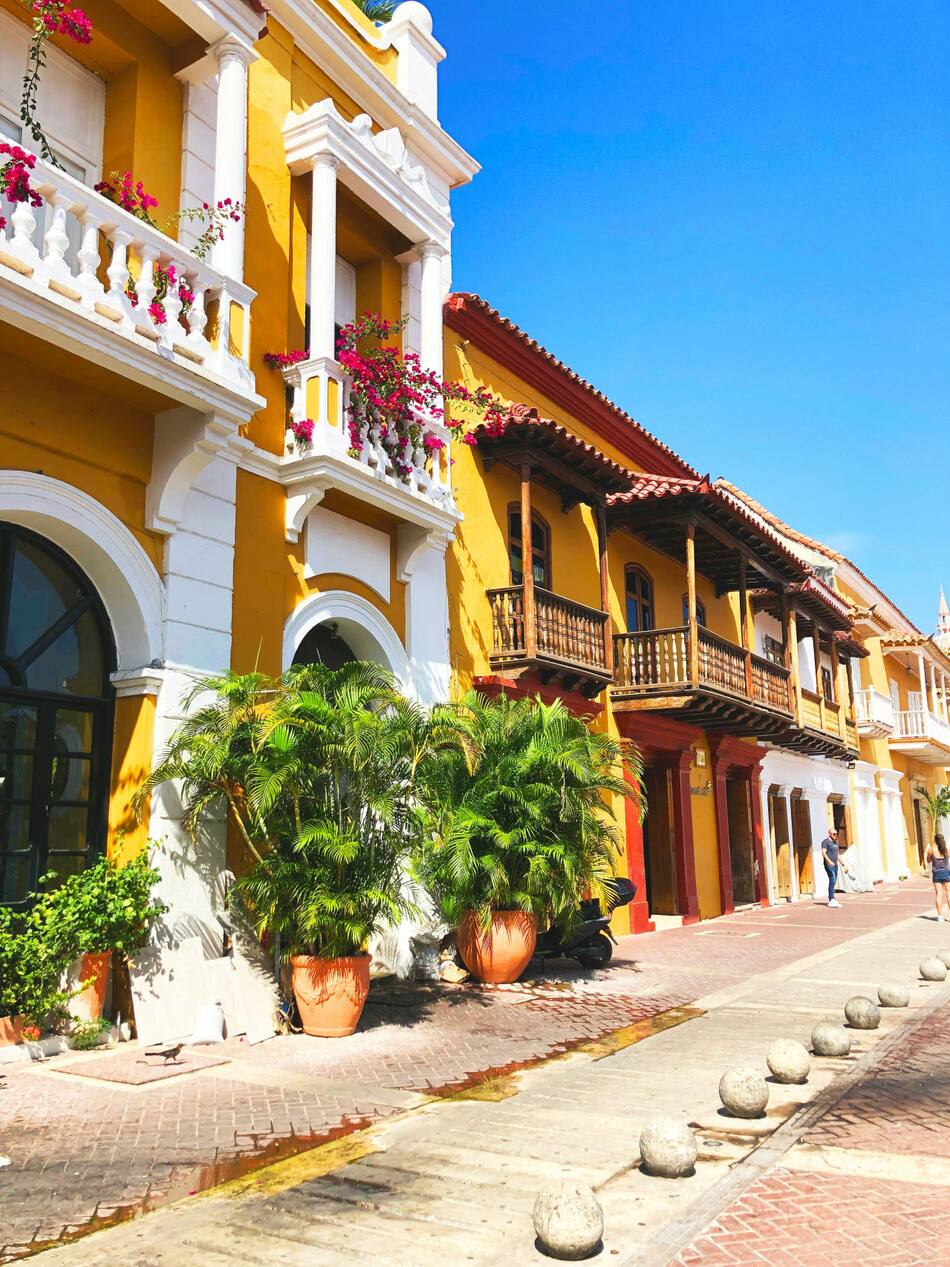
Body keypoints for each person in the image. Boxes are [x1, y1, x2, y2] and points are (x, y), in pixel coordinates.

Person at [926, 832, 950, 922]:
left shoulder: (931, 850)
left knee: (939, 894)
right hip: (947, 872)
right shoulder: (947, 850)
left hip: (937, 873)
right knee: (949, 894)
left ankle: (940, 916)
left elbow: (928, 861)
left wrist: (929, 852)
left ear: (935, 840)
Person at [821, 827, 842, 908]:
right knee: (832, 879)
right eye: (834, 834)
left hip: (835, 864)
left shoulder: (836, 842)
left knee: (834, 881)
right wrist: (829, 861)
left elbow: (838, 855)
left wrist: (844, 865)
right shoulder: (825, 842)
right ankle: (831, 899)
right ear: (829, 834)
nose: (835, 835)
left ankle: (833, 899)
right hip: (829, 865)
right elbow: (823, 853)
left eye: (836, 834)